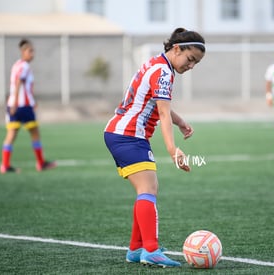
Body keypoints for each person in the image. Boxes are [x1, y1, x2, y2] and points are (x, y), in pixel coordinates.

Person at [104, 28, 205, 267]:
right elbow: (162, 112)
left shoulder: (158, 65)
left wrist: (180, 122)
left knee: (148, 188)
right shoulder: (163, 72)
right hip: (127, 135)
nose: (191, 66)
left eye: (196, 63)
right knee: (147, 189)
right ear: (177, 48)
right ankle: (150, 250)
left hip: (124, 134)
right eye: (190, 59)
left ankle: (136, 249)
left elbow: (158, 104)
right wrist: (173, 150)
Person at [0, 39, 56, 174]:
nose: (32, 54)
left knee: (11, 134)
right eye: (30, 51)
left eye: (33, 51)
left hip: (15, 105)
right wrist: (16, 102)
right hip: (23, 106)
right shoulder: (24, 66)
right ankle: (41, 163)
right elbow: (19, 82)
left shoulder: (16, 65)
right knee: (35, 133)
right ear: (23, 52)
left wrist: (13, 101)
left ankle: (5, 165)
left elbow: (17, 85)